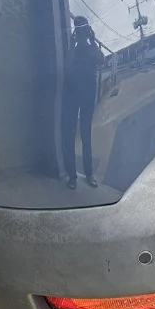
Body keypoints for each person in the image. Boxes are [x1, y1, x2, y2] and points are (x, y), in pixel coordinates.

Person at [61, 15, 104, 189]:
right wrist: (72, 44)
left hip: (87, 94)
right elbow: (66, 67)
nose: (81, 31)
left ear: (88, 29)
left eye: (83, 28)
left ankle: (89, 174)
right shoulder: (74, 48)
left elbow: (102, 60)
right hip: (72, 94)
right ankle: (72, 176)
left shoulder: (91, 48)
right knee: (70, 134)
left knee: (86, 134)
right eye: (78, 28)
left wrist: (92, 41)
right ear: (75, 30)